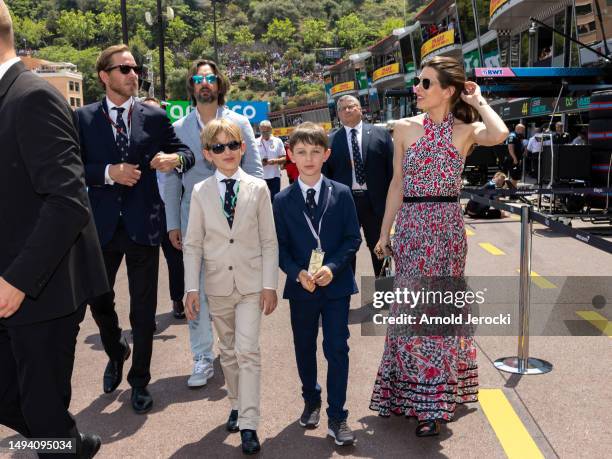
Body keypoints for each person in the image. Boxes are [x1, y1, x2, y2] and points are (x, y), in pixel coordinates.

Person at [371, 56, 509, 436]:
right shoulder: (402, 129)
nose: (417, 88)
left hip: (447, 229)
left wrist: (478, 98)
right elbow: (397, 185)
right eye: (418, 82)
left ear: (448, 91)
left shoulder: (466, 130)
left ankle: (433, 401)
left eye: (426, 83)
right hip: (412, 228)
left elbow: (499, 134)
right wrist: (384, 234)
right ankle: (416, 394)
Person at [0, 1, 108, 456]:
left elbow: (68, 201)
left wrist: (17, 281)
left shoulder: (32, 96)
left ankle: (61, 444)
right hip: (12, 288)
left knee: (40, 414)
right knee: (14, 403)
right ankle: (68, 442)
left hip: (40, 294)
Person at [77, 44, 194, 414]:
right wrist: (109, 173)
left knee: (143, 312)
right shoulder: (81, 118)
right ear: (104, 75)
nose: (133, 75)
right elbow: (69, 167)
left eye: (136, 69)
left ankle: (139, 381)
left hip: (145, 224)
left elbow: (187, 154)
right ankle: (116, 350)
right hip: (101, 226)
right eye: (124, 69)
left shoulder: (155, 116)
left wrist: (176, 158)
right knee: (98, 300)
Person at [161, 59, 263, 388]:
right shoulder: (178, 130)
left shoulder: (239, 124)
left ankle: (232, 349)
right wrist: (173, 222)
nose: (205, 83)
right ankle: (202, 356)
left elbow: (256, 172)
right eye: (198, 79)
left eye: (210, 78)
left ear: (219, 84)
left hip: (236, 220)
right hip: (195, 220)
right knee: (197, 291)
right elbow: (174, 182)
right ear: (191, 86)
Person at [183, 119, 278, 455]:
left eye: (233, 145)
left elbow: (269, 240)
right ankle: (237, 403)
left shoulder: (259, 187)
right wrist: (190, 289)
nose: (227, 152)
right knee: (228, 352)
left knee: (248, 351)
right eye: (219, 147)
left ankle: (249, 423)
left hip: (252, 285)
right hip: (217, 286)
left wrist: (270, 285)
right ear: (208, 154)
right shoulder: (199, 192)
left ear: (242, 147)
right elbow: (193, 244)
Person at [274, 122, 362, 446]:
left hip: (336, 286)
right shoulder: (282, 200)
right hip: (302, 288)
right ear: (291, 156)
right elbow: (280, 248)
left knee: (337, 348)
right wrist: (297, 272)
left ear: (326, 154)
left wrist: (333, 266)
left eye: (315, 152)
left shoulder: (342, 193)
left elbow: (353, 238)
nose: (308, 158)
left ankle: (337, 416)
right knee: (304, 346)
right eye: (301, 152)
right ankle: (311, 397)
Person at [325, 95, 394, 276]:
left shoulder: (381, 134)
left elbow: (392, 170)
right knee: (346, 250)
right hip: (345, 205)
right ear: (338, 114)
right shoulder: (330, 141)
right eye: (342, 108)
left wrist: (393, 201)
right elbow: (326, 176)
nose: (347, 110)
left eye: (351, 106)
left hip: (376, 204)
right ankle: (346, 291)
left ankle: (385, 291)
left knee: (380, 247)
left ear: (360, 109)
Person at [142, 96, 185, 319]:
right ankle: (145, 315)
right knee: (145, 267)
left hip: (169, 212)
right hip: (144, 214)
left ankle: (178, 299)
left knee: (176, 259)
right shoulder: (135, 142)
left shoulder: (173, 141)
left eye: (157, 112)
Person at [256, 120, 286, 201]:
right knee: (262, 201)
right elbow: (253, 161)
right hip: (261, 177)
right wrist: (261, 163)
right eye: (263, 132)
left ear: (271, 129)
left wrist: (275, 161)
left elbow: (284, 158)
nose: (265, 133)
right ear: (260, 130)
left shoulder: (278, 141)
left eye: (267, 131)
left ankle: (276, 214)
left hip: (275, 175)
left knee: (275, 200)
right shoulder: (255, 142)